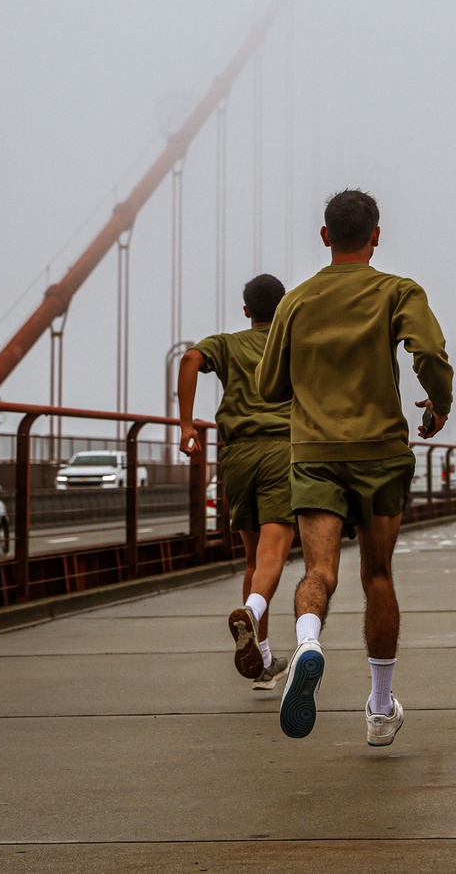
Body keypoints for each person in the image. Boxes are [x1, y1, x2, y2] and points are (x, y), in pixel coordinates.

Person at [256, 188, 454, 747]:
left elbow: (270, 387)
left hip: (316, 456)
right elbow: (431, 354)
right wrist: (439, 404)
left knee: (319, 573)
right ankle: (380, 705)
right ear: (375, 236)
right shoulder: (397, 291)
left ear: (324, 237)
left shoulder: (295, 301)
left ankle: (309, 643)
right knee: (378, 577)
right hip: (381, 456)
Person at [178, 274, 294, 689]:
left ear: (246, 311)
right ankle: (251, 611)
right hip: (283, 451)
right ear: (282, 309)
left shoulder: (227, 343)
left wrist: (187, 424)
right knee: (273, 555)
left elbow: (190, 358)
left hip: (238, 455)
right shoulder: (290, 342)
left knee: (251, 559)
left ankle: (263, 662)